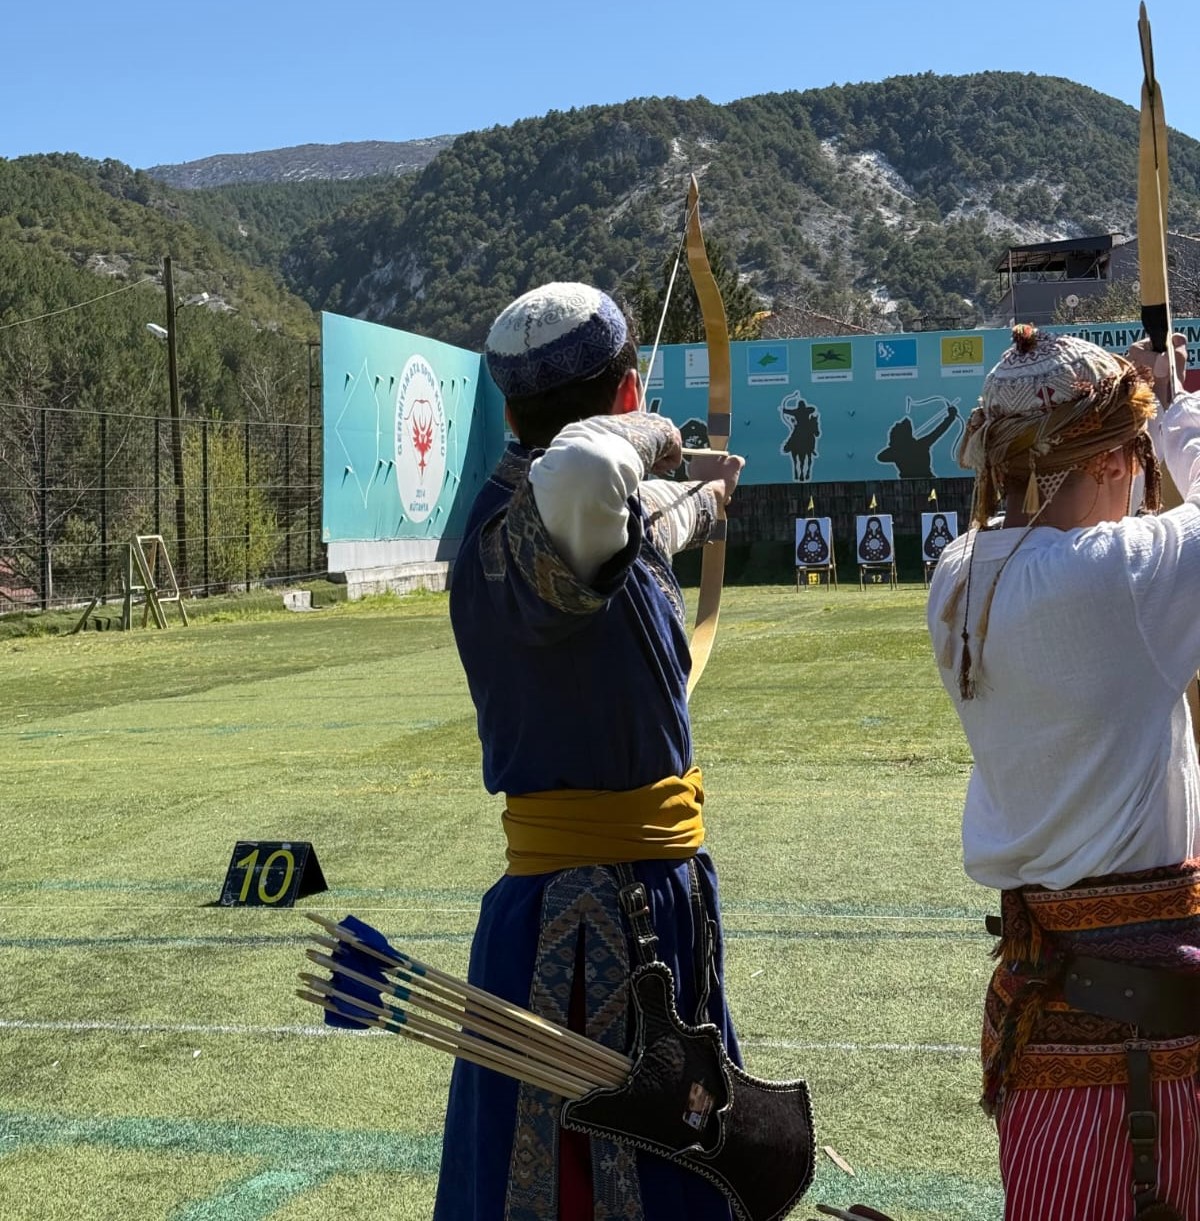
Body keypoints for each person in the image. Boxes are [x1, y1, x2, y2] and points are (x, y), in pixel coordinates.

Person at [437, 282, 746, 1220]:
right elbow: (584, 471)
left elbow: (639, 521)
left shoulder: (581, 532)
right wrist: (661, 433)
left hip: (650, 902)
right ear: (627, 394)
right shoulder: (521, 530)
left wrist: (707, 498)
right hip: (579, 925)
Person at [927, 324, 1200, 1221]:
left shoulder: (957, 576)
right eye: (1132, 457)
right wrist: (1179, 413)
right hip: (1147, 1060)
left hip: (1045, 1048)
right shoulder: (1117, 577)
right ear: (1115, 459)